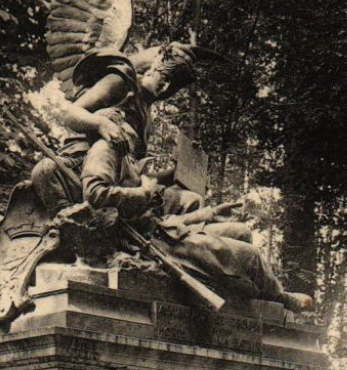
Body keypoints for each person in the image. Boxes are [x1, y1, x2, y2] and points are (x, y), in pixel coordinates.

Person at [80, 122, 312, 312]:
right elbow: (95, 193)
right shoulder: (105, 150)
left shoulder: (124, 156)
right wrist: (145, 192)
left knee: (241, 232)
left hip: (165, 228)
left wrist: (209, 212)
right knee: (250, 256)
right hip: (149, 240)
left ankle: (251, 297)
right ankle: (279, 298)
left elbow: (160, 209)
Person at [31, 44, 202, 216]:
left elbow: (135, 165)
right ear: (152, 69)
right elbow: (70, 114)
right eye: (165, 78)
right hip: (86, 159)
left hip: (121, 174)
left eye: (173, 88)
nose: (165, 89)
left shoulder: (146, 112)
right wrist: (101, 124)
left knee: (190, 201)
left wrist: (176, 173)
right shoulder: (122, 81)